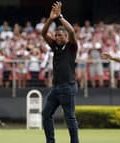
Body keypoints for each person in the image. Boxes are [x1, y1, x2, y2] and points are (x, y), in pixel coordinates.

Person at [41, 1, 79, 143]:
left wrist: (60, 17)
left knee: (69, 117)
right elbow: (43, 33)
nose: (57, 37)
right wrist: (51, 19)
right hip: (56, 87)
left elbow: (72, 31)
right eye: (56, 35)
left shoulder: (71, 47)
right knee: (46, 114)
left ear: (66, 38)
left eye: (60, 36)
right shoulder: (55, 46)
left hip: (67, 86)